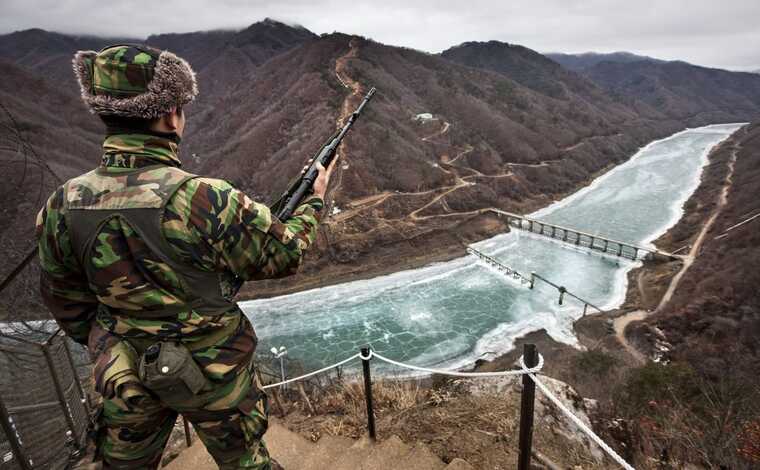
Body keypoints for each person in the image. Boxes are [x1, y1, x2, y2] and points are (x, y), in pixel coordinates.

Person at [35, 44, 333, 469]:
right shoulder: (203, 197)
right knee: (246, 462)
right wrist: (314, 202)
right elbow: (284, 255)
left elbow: (66, 302)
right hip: (216, 374)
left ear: (105, 114)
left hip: (126, 373)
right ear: (171, 113)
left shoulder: (61, 204)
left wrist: (119, 340)